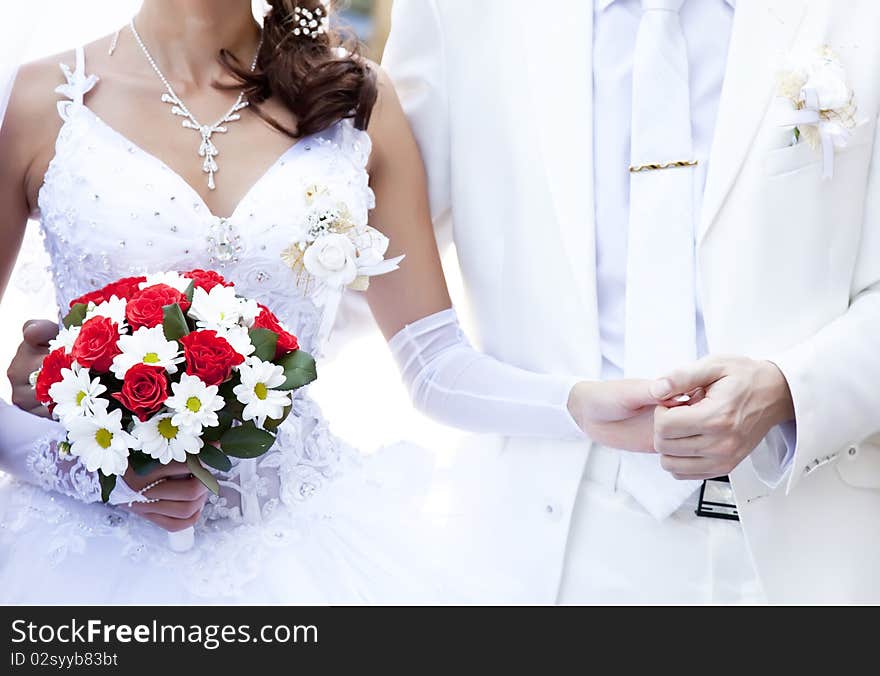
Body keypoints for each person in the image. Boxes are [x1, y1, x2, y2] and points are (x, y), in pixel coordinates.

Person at [0, 0, 661, 603]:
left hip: (308, 552)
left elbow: (433, 362)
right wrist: (85, 470)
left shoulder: (354, 102)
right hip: (81, 563)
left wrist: (579, 405)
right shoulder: (34, 100)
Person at [381, 0, 880, 603]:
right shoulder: (457, 14)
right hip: (544, 545)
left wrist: (788, 389)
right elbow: (366, 256)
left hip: (809, 540)